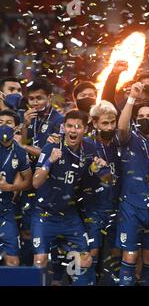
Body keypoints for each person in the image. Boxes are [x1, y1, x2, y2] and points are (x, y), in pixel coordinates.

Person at [31, 110, 110, 285]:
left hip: (69, 215)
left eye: (78, 126)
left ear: (85, 129)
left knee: (85, 260)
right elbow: (35, 183)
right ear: (63, 127)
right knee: (40, 260)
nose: (73, 130)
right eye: (69, 126)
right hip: (45, 214)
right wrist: (49, 161)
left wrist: (101, 170)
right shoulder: (52, 146)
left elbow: (104, 181)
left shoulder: (90, 149)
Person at [116, 82, 149, 286]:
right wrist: (132, 99)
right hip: (131, 205)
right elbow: (122, 126)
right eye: (141, 116)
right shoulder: (130, 138)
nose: (145, 119)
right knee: (130, 257)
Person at [19, 77, 64, 267]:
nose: (35, 103)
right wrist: (25, 125)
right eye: (31, 99)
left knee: (50, 232)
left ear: (50, 97)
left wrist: (21, 145)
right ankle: (27, 273)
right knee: (27, 229)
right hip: (29, 180)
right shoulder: (30, 118)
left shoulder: (59, 120)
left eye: (40, 98)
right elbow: (24, 145)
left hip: (50, 181)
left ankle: (52, 275)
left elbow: (49, 153)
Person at [79, 101, 122, 285]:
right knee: (92, 252)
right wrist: (93, 171)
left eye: (113, 122)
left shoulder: (121, 142)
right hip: (92, 207)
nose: (110, 127)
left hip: (116, 205)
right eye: (105, 123)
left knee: (116, 251)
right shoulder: (85, 144)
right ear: (95, 123)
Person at [0, 110, 32, 266]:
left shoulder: (20, 151)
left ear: (16, 127)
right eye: (0, 123)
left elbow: (28, 182)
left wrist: (9, 187)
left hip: (5, 211)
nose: (4, 126)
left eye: (8, 123)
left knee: (13, 261)